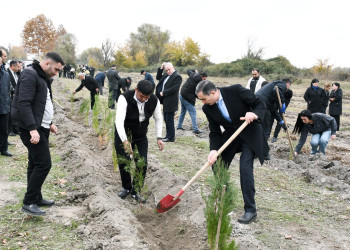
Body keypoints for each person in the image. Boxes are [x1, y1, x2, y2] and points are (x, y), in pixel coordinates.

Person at [195, 80, 267, 224]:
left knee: (245, 168)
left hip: (249, 133)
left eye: (203, 99)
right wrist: (213, 150)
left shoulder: (236, 90)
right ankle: (225, 199)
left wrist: (253, 114)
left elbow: (260, 103)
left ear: (213, 93)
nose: (202, 103)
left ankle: (250, 210)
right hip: (231, 136)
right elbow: (214, 131)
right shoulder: (208, 108)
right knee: (217, 164)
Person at [11, 51, 64, 216]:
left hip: (42, 126)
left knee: (34, 162)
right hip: (31, 128)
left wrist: (50, 123)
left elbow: (42, 102)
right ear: (47, 63)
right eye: (56, 69)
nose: (57, 73)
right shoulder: (29, 74)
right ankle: (29, 202)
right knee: (44, 163)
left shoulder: (42, 77)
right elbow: (24, 103)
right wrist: (33, 128)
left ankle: (36, 197)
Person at [115, 80, 164, 202]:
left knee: (142, 163)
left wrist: (159, 137)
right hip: (124, 133)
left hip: (141, 135)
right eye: (141, 96)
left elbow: (158, 119)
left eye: (146, 97)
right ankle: (126, 187)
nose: (143, 99)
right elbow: (119, 121)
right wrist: (125, 140)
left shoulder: (154, 100)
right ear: (136, 90)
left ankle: (136, 190)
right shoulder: (124, 98)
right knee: (124, 161)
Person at [255, 79, 289, 159]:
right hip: (261, 103)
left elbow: (273, 110)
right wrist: (283, 102)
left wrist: (280, 120)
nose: (287, 89)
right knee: (266, 130)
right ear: (288, 84)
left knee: (258, 128)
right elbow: (276, 89)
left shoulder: (270, 93)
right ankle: (263, 153)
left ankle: (257, 151)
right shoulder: (281, 84)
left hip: (257, 101)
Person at [155, 62, 182, 142]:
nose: (168, 71)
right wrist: (161, 68)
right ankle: (168, 135)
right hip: (165, 100)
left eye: (169, 69)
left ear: (172, 67)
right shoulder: (166, 75)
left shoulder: (177, 76)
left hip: (171, 101)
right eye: (166, 70)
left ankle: (171, 137)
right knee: (166, 119)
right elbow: (158, 77)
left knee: (169, 120)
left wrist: (164, 92)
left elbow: (175, 88)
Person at [177, 69, 207, 134]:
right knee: (193, 112)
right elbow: (197, 94)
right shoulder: (199, 83)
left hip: (182, 94)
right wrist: (203, 99)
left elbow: (188, 70)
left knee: (183, 111)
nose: (204, 81)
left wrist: (194, 71)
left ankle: (179, 126)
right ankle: (195, 129)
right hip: (187, 97)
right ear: (201, 76)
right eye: (204, 79)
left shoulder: (193, 74)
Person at [0, 50, 13, 157]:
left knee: (4, 129)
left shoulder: (5, 74)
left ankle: (4, 149)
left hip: (4, 105)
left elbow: (9, 89)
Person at [7, 60, 20, 136]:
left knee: (15, 113)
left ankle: (16, 129)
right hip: (11, 96)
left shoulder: (16, 74)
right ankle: (10, 130)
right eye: (17, 66)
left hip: (16, 96)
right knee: (11, 114)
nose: (19, 68)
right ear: (13, 66)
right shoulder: (7, 73)